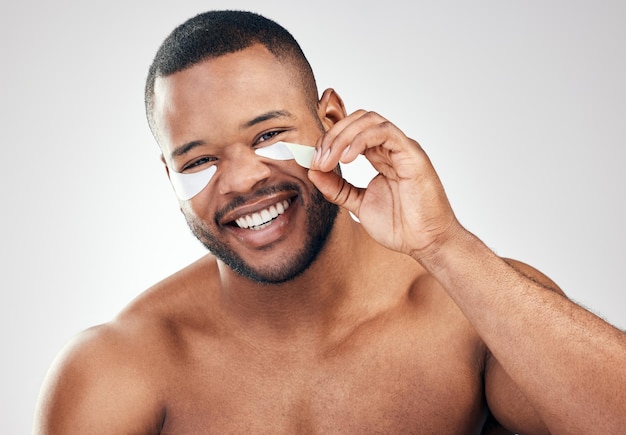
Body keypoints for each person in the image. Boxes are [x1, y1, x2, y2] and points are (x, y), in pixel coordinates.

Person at [34, 10, 626, 434]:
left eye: (268, 134)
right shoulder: (120, 369)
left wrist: (443, 244)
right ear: (169, 176)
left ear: (332, 119)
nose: (240, 180)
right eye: (199, 160)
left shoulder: (463, 316)